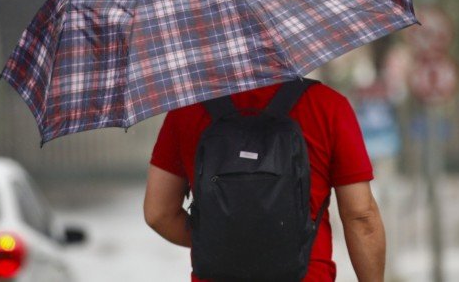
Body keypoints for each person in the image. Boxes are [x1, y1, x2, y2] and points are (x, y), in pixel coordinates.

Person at [144, 80, 386, 282]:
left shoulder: (187, 109)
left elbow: (158, 213)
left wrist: (231, 241)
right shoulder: (327, 105)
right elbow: (361, 215)